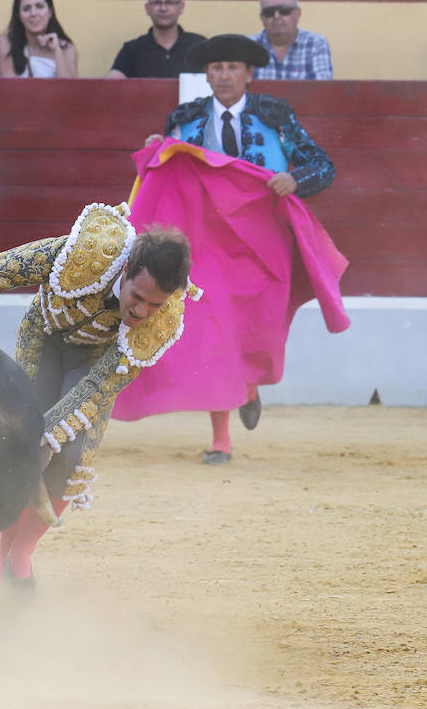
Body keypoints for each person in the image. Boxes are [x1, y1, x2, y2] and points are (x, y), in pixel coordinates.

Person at [0, 209, 194, 587]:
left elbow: (96, 388)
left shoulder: (164, 322)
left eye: (155, 305)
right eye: (138, 297)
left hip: (94, 365)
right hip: (44, 336)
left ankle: (20, 555)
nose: (142, 312)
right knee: (19, 446)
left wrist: (47, 434)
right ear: (124, 270)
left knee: (72, 456)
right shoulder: (88, 252)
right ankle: (2, 571)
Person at [124, 33, 342, 465]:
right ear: (207, 74)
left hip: (263, 242)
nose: (223, 75)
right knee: (214, 330)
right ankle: (221, 438)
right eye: (216, 68)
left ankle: (250, 386)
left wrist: (295, 181)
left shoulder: (275, 116)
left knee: (255, 327)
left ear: (249, 74)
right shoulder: (184, 120)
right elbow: (166, 174)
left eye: (232, 68)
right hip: (206, 245)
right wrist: (158, 151)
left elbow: (323, 165)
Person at [107, 0, 206, 80]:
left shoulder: (200, 47)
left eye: (169, 2)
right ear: (147, 8)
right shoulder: (131, 51)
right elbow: (112, 87)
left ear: (181, 7)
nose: (163, 8)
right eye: (157, 2)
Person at [0, 0, 78, 78]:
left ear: (50, 12)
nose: (33, 13)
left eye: (39, 6)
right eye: (26, 9)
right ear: (19, 16)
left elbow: (70, 89)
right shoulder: (6, 43)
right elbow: (9, 89)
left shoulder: (66, 48)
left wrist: (57, 51)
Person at [252, 0, 331, 82]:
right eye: (269, 12)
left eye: (284, 10)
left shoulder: (316, 44)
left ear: (297, 14)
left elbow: (322, 90)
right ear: (262, 18)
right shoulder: (248, 47)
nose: (277, 16)